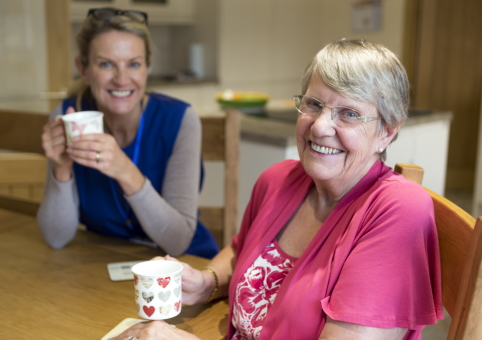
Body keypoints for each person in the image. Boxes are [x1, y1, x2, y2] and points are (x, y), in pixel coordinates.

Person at [111, 39, 443, 340]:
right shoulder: (279, 179)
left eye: (349, 113)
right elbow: (242, 252)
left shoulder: (399, 210)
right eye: (313, 104)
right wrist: (207, 283)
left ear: (387, 131)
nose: (320, 126)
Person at [37, 8, 218, 259]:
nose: (122, 80)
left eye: (133, 64)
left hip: (181, 267)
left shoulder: (179, 120)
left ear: (147, 68)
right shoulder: (69, 115)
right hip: (103, 261)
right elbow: (56, 238)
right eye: (106, 64)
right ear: (85, 69)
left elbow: (177, 242)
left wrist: (125, 171)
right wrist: (61, 169)